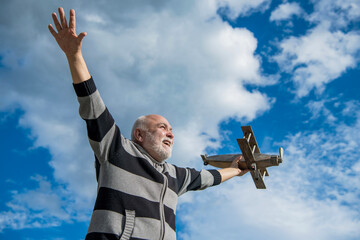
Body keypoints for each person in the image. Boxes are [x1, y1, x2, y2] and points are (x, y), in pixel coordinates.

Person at [49, 7, 248, 240]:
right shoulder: (116, 150)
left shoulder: (174, 176)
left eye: (172, 130)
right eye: (162, 127)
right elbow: (93, 106)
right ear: (139, 135)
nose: (171, 134)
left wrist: (236, 169)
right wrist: (74, 56)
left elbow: (208, 178)